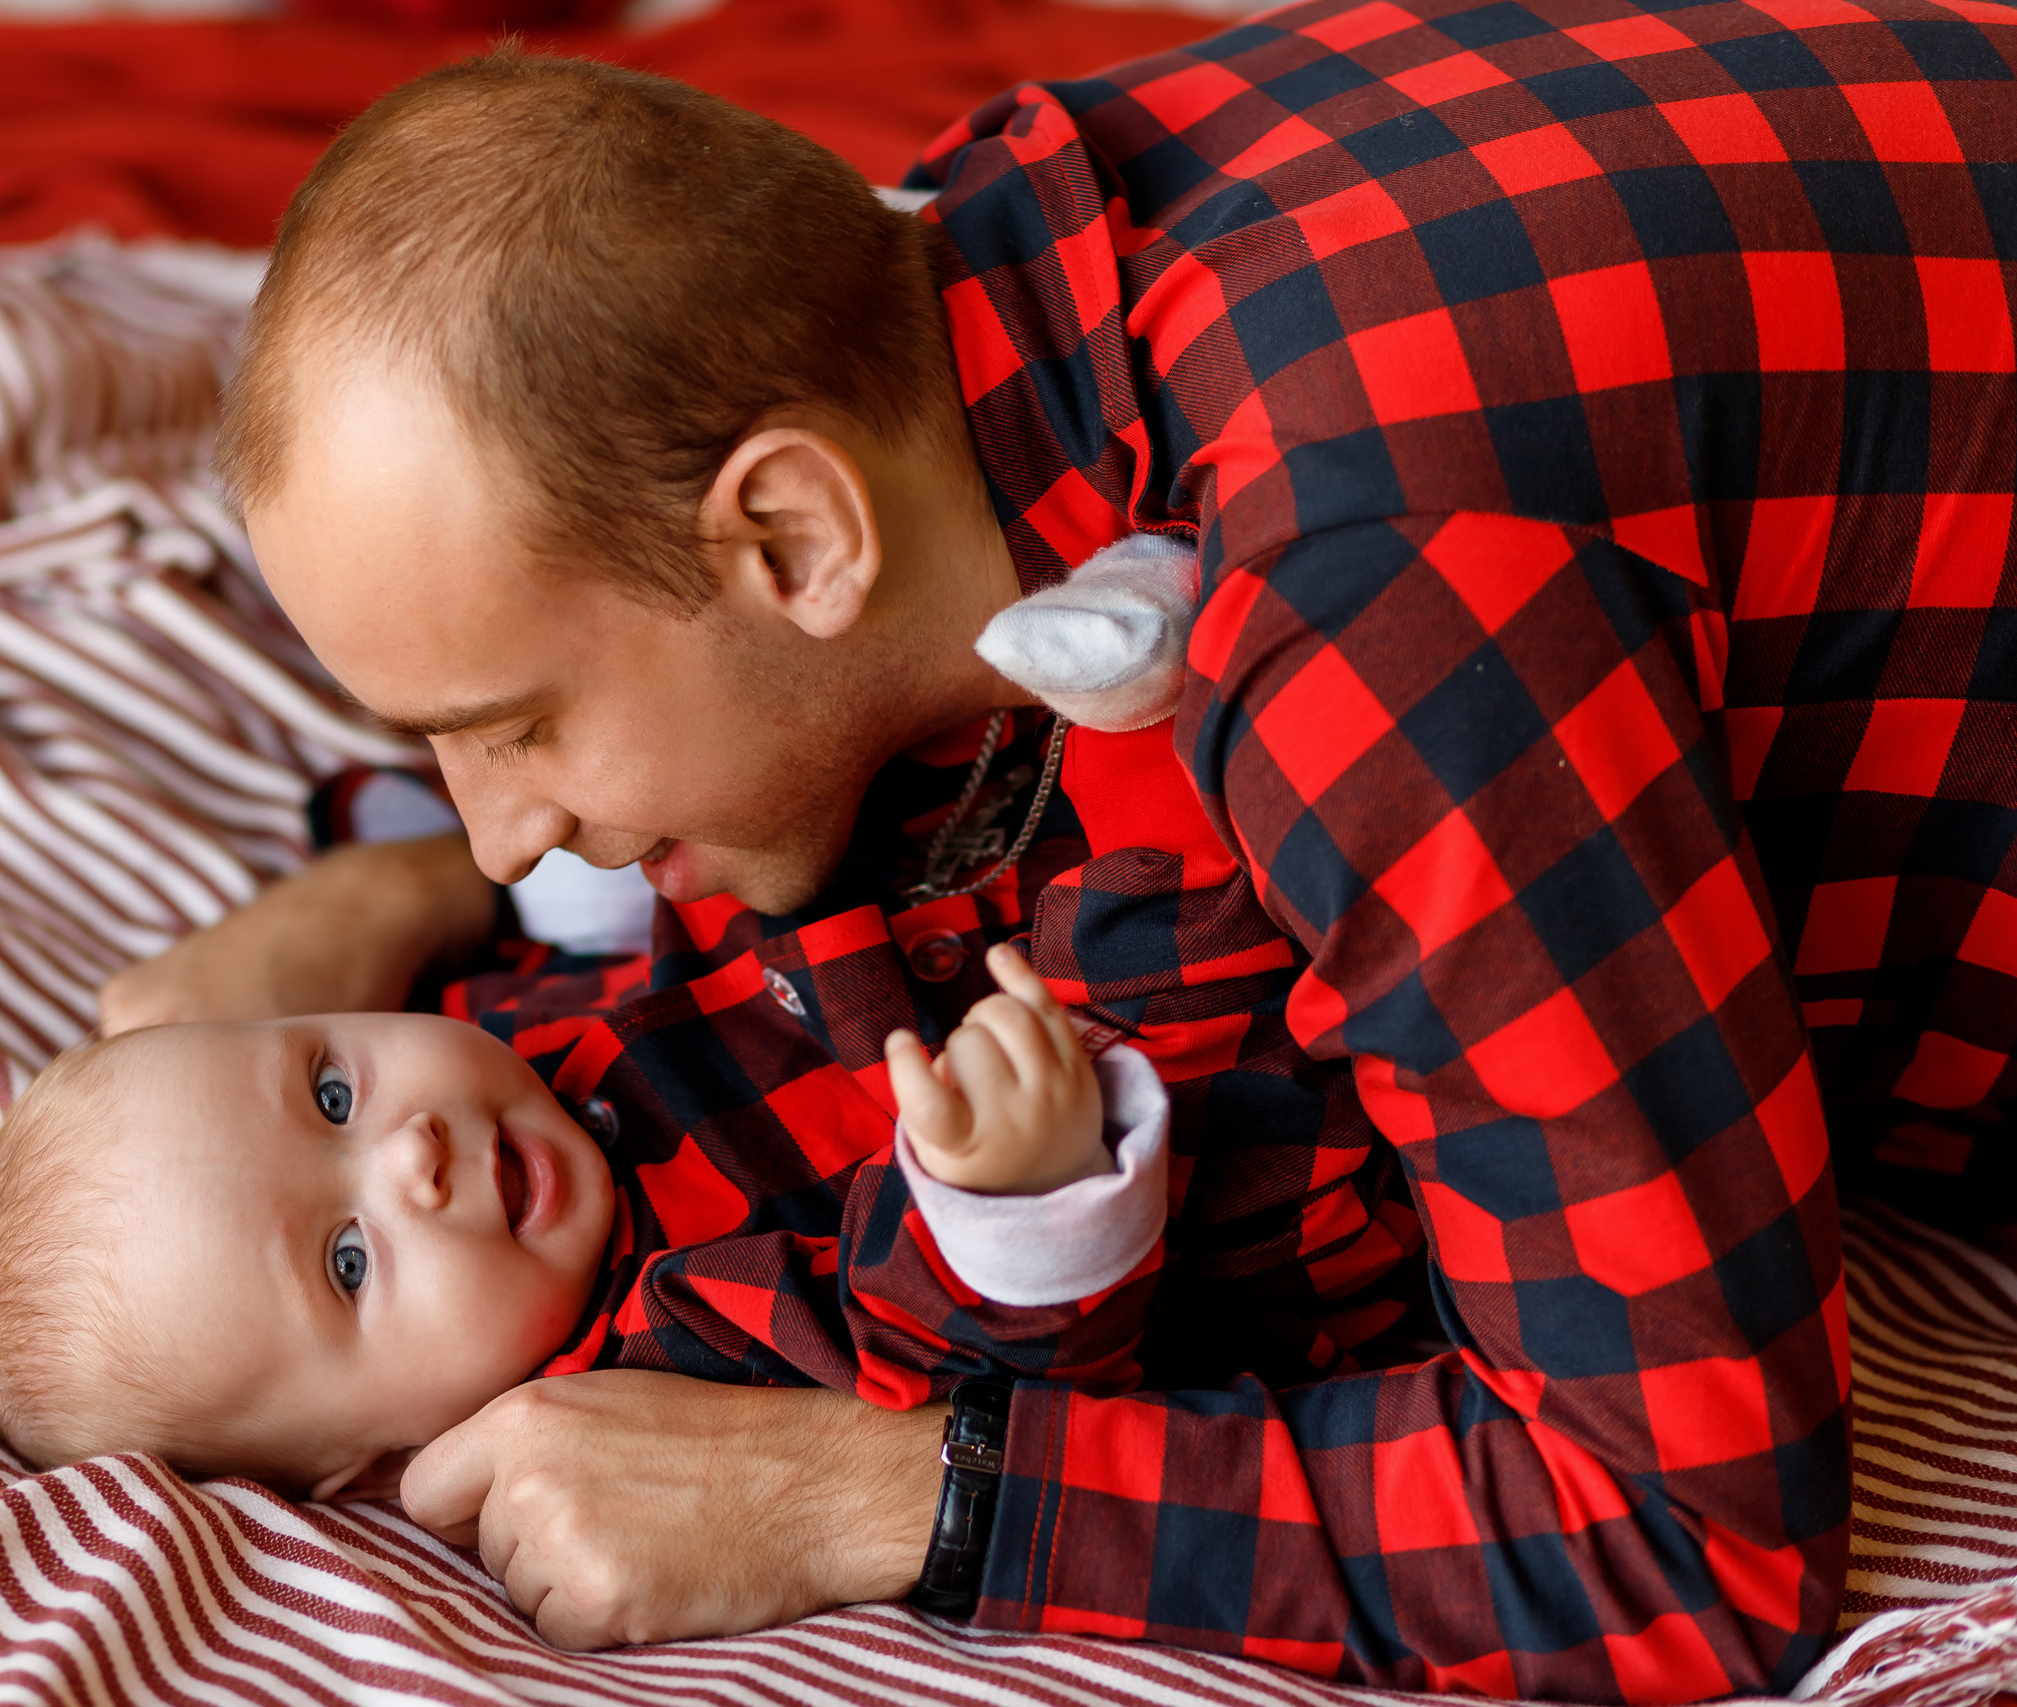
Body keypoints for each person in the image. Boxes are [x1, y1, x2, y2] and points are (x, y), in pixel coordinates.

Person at [101, 0, 2017, 1692]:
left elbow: (1688, 1546)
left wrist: (893, 1495)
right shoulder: (970, 283)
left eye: (519, 724)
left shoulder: (1362, 621)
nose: (510, 830)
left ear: (788, 539)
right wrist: (392, 889)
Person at [0, 948, 1167, 1501]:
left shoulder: (503, 1036)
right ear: (375, 1464)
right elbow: (950, 1363)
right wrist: (1017, 1195)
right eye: (350, 1260)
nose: (409, 1154)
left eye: (330, 1093)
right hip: (1204, 1149)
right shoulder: (658, 1351)